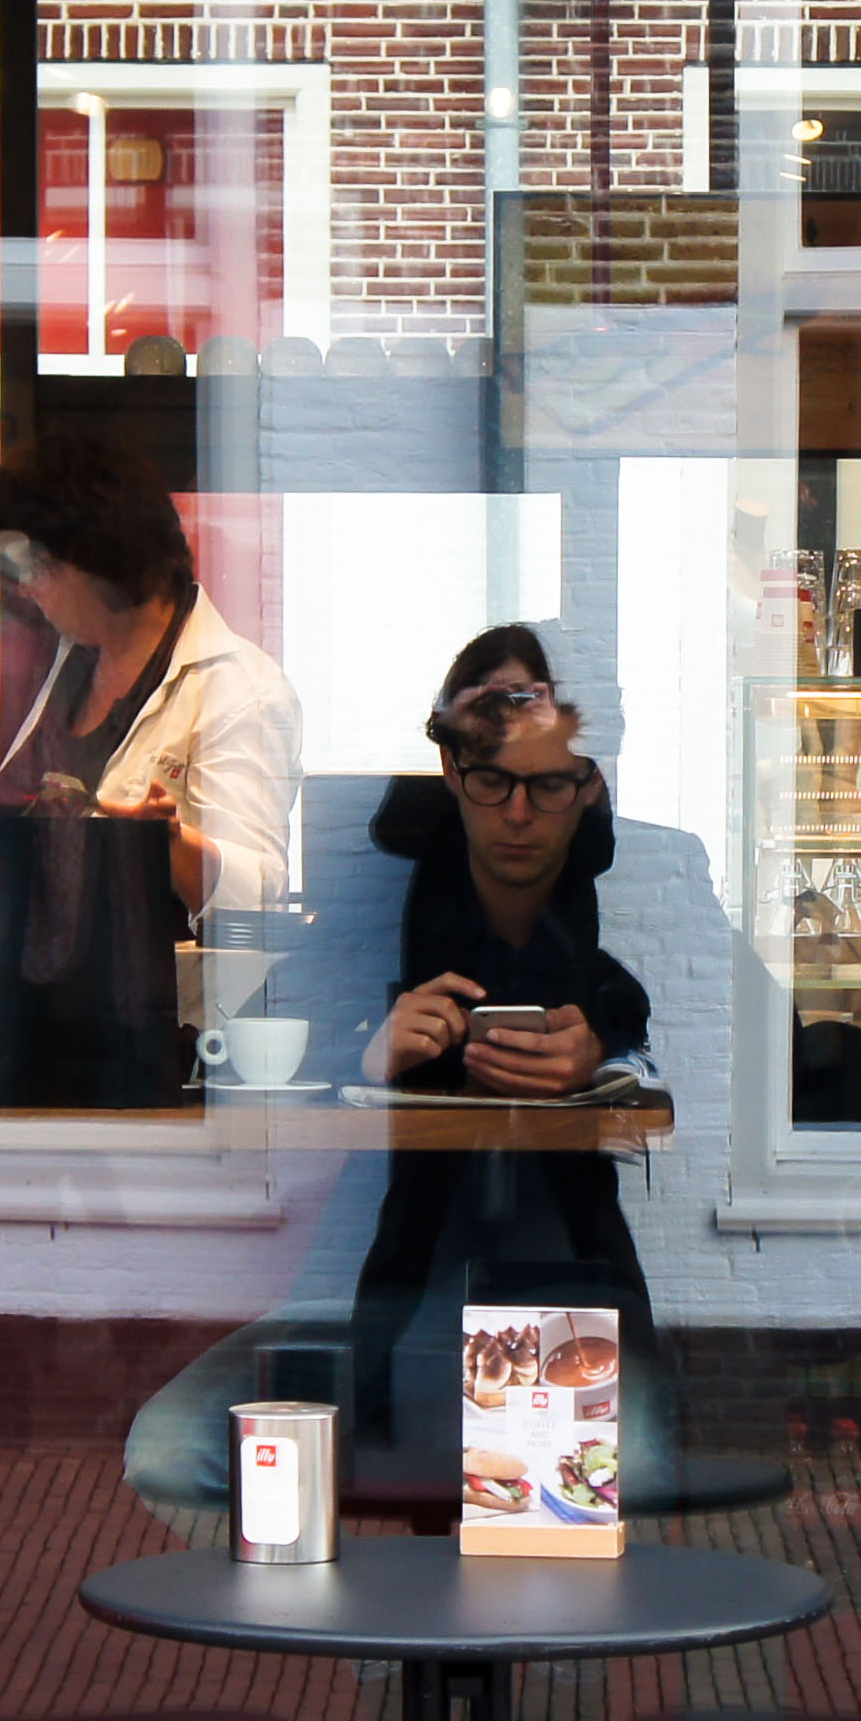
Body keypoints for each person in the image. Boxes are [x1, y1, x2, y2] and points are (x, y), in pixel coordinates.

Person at [121, 629, 671, 1506]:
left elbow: (689, 1048)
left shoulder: (645, 887)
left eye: (544, 775)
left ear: (587, 781)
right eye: (489, 768)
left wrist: (603, 1055)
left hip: (549, 1275)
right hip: (391, 1278)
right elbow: (261, 1044)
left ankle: (476, 1570)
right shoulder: (375, 885)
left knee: (603, 1477)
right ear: (451, 765)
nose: (517, 811)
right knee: (173, 1449)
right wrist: (369, 1056)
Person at [0, 437, 294, 918]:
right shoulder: (74, 660)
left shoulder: (240, 690)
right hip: (42, 956)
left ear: (101, 558)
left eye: (34, 566)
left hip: (148, 965)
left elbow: (259, 893)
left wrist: (171, 843)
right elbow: (58, 860)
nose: (25, 587)